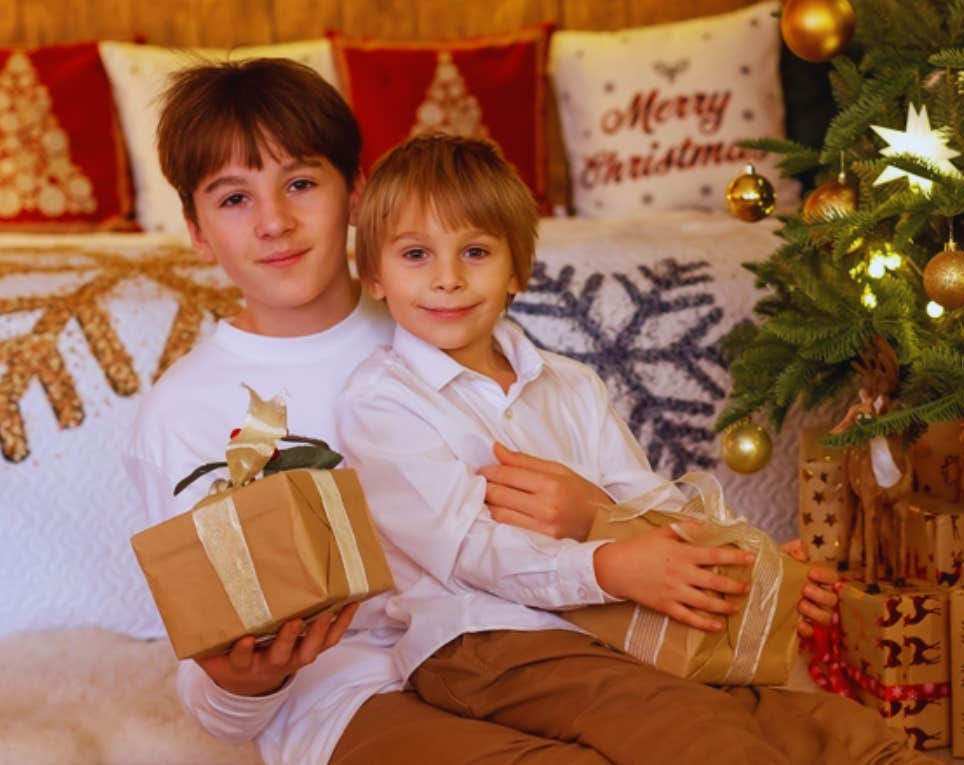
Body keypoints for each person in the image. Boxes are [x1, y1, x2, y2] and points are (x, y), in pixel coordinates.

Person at [122, 58, 705, 765]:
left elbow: (601, 490)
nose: (275, 221)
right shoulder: (181, 414)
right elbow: (214, 701)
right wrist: (243, 681)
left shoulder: (444, 319)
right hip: (351, 702)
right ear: (196, 229)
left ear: (357, 196)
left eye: (301, 182)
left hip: (540, 651)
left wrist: (595, 510)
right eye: (234, 198)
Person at [333, 133, 908, 764]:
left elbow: (643, 498)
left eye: (475, 251)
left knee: (827, 725)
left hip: (610, 626)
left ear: (516, 270)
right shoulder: (383, 400)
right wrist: (608, 568)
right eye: (416, 254)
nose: (447, 279)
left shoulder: (570, 384)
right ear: (375, 276)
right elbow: (469, 550)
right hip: (482, 642)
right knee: (684, 725)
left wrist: (742, 554)